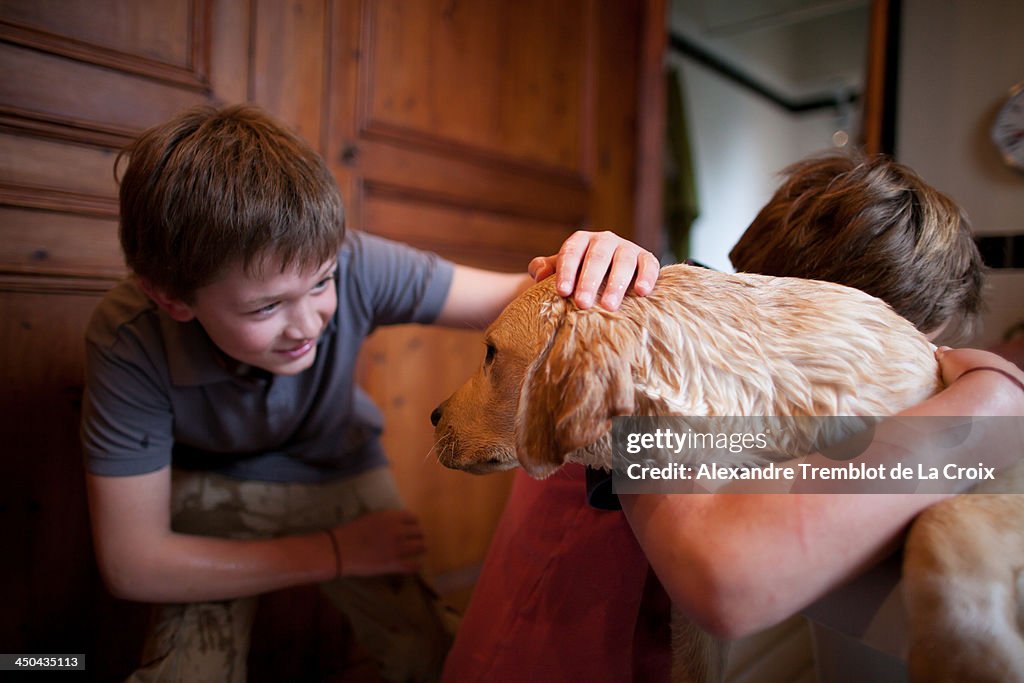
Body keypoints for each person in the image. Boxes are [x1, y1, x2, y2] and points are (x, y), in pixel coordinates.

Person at [80, 103, 660, 683]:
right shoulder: (128, 337)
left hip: (338, 464)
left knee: (428, 650)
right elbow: (133, 563)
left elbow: (524, 293)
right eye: (266, 306)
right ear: (171, 300)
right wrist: (336, 551)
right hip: (211, 487)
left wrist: (595, 262)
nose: (309, 324)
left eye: (322, 283)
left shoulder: (353, 262)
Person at [442, 150, 1022, 681]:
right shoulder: (650, 378)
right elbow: (727, 580)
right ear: (825, 332)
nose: (910, 397)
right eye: (906, 369)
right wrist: (992, 398)